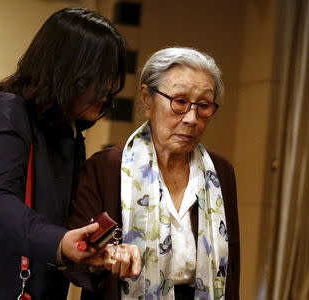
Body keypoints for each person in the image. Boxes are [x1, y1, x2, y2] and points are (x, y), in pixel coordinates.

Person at [0, 7, 140, 300]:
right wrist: (60, 241)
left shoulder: (69, 132)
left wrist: (97, 251)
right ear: (68, 70)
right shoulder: (9, 110)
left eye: (111, 76)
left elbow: (67, 226)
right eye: (99, 75)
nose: (108, 89)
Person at [67, 47, 240, 299]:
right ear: (147, 99)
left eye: (203, 105)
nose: (192, 118)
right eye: (180, 102)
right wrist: (105, 258)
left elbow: (231, 267)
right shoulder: (105, 168)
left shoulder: (220, 172)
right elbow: (77, 263)